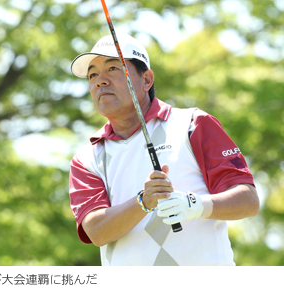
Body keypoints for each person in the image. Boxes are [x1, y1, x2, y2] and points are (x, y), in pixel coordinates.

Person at [68, 34, 259, 266]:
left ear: (146, 80)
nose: (100, 81)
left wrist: (197, 205)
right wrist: (143, 201)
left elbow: (248, 200)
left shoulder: (193, 123)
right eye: (93, 75)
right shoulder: (86, 159)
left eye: (114, 68)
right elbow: (96, 231)